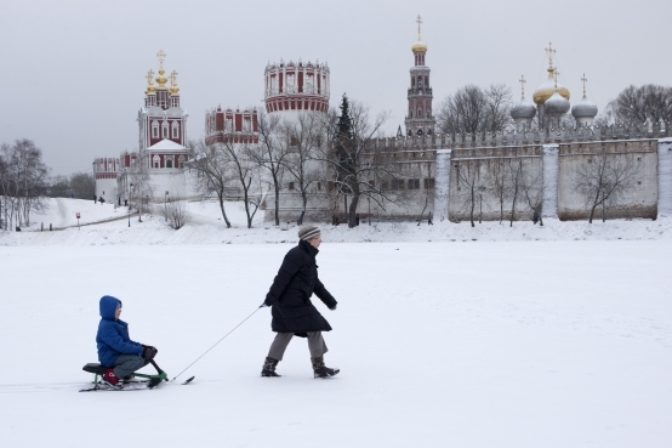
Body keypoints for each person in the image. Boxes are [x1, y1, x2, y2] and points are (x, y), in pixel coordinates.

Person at [261, 225, 339, 378]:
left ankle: (268, 367)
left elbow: (314, 282)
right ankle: (319, 368)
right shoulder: (296, 255)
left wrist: (329, 300)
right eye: (318, 238)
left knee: (286, 332)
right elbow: (282, 278)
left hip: (293, 301)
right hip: (291, 302)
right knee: (314, 328)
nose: (321, 241)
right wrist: (270, 298)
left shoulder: (307, 255)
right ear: (309, 240)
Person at [96, 295, 158, 386]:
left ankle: (124, 374)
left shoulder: (114, 323)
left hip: (117, 354)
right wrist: (142, 350)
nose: (120, 311)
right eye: (117, 309)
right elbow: (120, 346)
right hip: (110, 357)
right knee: (138, 360)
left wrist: (142, 347)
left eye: (120, 308)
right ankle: (111, 376)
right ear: (108, 310)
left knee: (145, 356)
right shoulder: (106, 327)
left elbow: (126, 342)